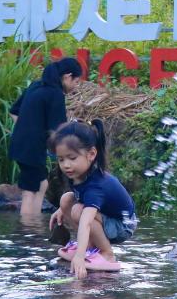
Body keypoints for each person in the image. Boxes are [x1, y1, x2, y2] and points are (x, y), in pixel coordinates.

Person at [49, 119, 138, 279]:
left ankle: (107, 254)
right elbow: (77, 197)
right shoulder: (79, 173)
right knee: (66, 199)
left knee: (78, 211)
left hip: (123, 226)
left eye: (72, 158)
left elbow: (86, 221)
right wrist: (62, 209)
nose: (66, 165)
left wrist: (79, 257)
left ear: (91, 154)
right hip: (107, 218)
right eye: (61, 159)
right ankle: (90, 248)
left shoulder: (97, 186)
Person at [8, 57, 82, 214]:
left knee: (42, 184)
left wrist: (25, 129)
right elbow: (58, 130)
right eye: (76, 81)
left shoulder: (36, 86)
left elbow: (14, 111)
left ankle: (34, 221)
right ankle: (27, 227)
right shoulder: (55, 94)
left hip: (20, 144)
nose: (76, 86)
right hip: (32, 149)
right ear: (67, 77)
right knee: (30, 191)